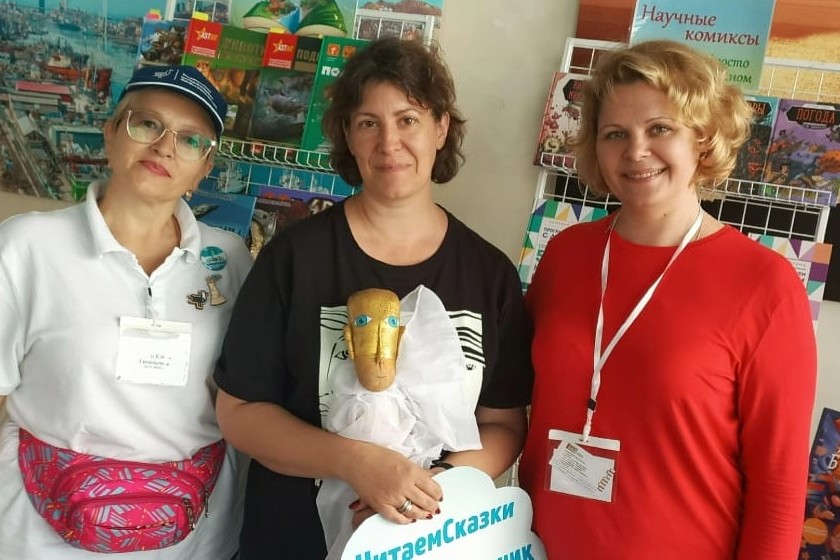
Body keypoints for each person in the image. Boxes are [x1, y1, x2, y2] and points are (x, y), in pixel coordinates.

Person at [214, 36, 533, 559]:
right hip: (294, 539)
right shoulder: (294, 257)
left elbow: (502, 423)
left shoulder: (488, 273)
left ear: (440, 128)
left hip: (428, 540)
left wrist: (429, 486)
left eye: (408, 119)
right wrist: (354, 462)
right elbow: (239, 411)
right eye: (368, 123)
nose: (389, 142)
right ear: (348, 134)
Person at [518, 40, 817, 560]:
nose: (636, 151)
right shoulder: (566, 254)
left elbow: (778, 492)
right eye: (615, 133)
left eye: (660, 129)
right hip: (539, 548)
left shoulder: (765, 286)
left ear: (703, 138)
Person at [0, 65, 252, 559]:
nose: (164, 147)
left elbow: (244, 395)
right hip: (41, 529)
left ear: (205, 167)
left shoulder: (229, 259)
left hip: (192, 533)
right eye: (147, 123)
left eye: (190, 139)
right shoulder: (26, 246)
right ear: (111, 132)